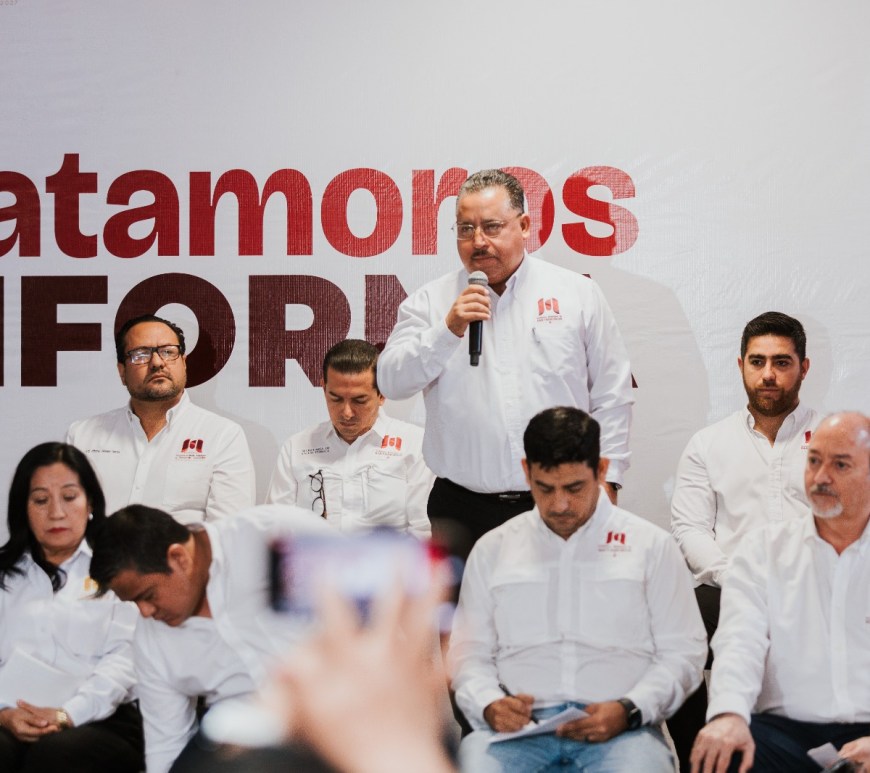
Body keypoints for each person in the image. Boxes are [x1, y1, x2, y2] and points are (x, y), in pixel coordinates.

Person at [378, 169, 633, 544]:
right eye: (465, 229)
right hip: (461, 510)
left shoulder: (576, 294)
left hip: (558, 502)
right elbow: (390, 382)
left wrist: (609, 481)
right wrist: (447, 330)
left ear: (524, 225)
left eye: (492, 227)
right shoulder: (431, 302)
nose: (478, 241)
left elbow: (612, 392)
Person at [449, 407, 706, 772]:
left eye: (574, 488)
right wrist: (489, 704)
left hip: (622, 731)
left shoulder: (650, 546)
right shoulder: (494, 549)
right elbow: (468, 655)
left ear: (601, 470)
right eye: (544, 488)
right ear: (526, 472)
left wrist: (630, 709)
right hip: (517, 733)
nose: (560, 505)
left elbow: (683, 652)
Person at [668, 311, 818, 768]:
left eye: (781, 362)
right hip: (730, 588)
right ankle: (707, 760)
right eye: (757, 361)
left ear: (803, 367)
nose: (768, 374)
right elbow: (690, 529)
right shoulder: (708, 443)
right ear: (740, 366)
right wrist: (742, 580)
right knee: (671, 639)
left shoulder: (834, 441)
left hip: (815, 590)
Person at [88, 502, 334, 773]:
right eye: (134, 603)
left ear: (179, 558)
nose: (145, 612)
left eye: (148, 596)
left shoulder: (275, 533)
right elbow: (166, 745)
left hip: (337, 707)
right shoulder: (150, 642)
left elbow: (366, 598)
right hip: (245, 745)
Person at [690, 412, 870, 773]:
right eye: (814, 461)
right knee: (726, 754)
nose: (820, 477)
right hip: (783, 732)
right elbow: (739, 643)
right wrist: (728, 715)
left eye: (840, 465)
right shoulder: (763, 550)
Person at [0, 443, 143, 772]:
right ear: (23, 508)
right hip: (11, 712)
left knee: (53, 756)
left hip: (102, 718)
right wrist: (4, 714)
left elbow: (124, 662)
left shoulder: (118, 569)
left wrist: (69, 714)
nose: (56, 513)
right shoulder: (4, 575)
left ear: (90, 502)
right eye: (41, 500)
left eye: (69, 497)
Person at [66, 314, 256, 525]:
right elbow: (68, 521)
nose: (157, 363)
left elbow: (229, 532)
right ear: (122, 372)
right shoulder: (82, 435)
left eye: (168, 352)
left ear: (184, 363)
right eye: (141, 354)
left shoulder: (222, 436)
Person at [267, 339, 433, 538]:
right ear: (323, 388)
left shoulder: (414, 445)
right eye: (336, 398)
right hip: (315, 557)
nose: (346, 413)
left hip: (389, 557)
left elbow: (423, 530)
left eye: (359, 400)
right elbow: (275, 528)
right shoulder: (296, 447)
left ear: (382, 394)